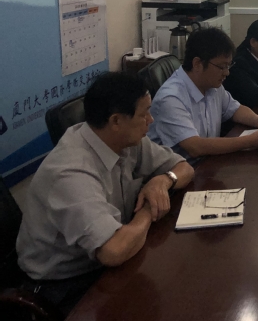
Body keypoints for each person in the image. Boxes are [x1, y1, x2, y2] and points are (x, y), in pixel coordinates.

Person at [16, 73, 194, 314]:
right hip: (63, 285)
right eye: (144, 114)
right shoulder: (70, 172)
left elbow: (184, 168)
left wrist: (163, 180)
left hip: (105, 262)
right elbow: (113, 251)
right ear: (116, 120)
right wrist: (148, 209)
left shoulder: (123, 139)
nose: (150, 120)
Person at [147, 27, 258, 159]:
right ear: (197, 64)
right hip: (180, 169)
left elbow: (235, 109)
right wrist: (251, 141)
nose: (227, 72)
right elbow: (195, 147)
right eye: (222, 66)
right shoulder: (171, 98)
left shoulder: (212, 84)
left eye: (228, 66)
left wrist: (257, 120)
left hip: (207, 162)